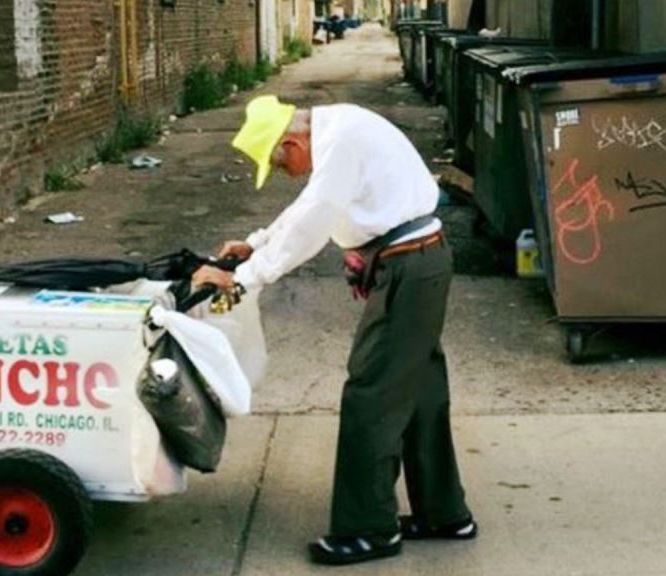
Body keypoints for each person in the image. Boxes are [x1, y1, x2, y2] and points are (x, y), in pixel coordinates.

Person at [192, 95, 476, 566]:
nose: (289, 173)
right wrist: (256, 244)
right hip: (417, 262)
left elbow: (313, 219)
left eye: (282, 164)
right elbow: (309, 206)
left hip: (408, 268)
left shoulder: (339, 140)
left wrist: (242, 278)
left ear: (291, 140)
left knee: (371, 393)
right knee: (421, 392)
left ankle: (369, 529)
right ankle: (445, 515)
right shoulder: (336, 129)